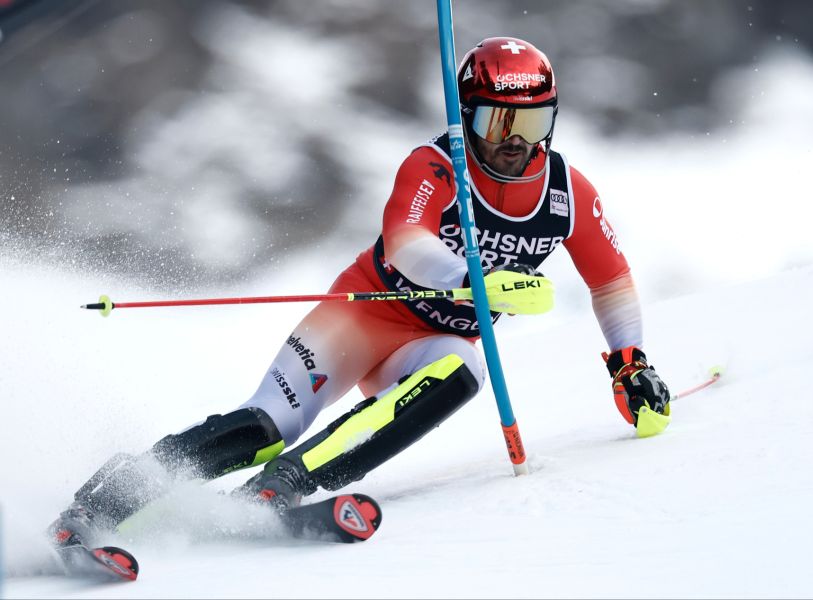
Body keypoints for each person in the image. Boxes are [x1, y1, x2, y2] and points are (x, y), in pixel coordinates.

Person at [49, 37, 671, 548]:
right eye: (497, 121)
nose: (516, 141)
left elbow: (610, 280)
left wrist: (629, 364)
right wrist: (470, 277)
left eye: (532, 123)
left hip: (430, 342)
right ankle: (101, 502)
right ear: (466, 115)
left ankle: (282, 487)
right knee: (268, 422)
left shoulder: (567, 194)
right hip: (365, 312)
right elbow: (405, 243)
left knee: (462, 368)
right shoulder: (436, 164)